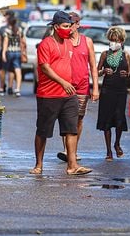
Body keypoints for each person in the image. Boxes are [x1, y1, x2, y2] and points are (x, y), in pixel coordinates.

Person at [30, 11, 92, 176]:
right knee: (43, 131)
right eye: (65, 26)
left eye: (70, 26)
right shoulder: (46, 44)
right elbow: (45, 67)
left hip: (69, 94)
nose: (68, 29)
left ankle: (72, 165)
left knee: (71, 129)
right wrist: (62, 82)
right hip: (48, 94)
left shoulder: (69, 44)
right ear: (56, 27)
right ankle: (39, 164)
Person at [56, 12, 99, 162]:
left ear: (78, 24)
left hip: (82, 87)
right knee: (65, 118)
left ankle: (73, 150)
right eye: (68, 23)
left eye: (72, 23)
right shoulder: (62, 40)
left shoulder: (87, 42)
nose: (70, 26)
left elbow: (93, 66)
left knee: (78, 120)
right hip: (64, 85)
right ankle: (67, 150)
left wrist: (95, 88)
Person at [96, 26, 130, 161]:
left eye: (116, 40)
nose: (113, 43)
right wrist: (104, 71)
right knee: (107, 120)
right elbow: (97, 71)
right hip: (107, 90)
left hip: (120, 90)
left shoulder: (125, 55)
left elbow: (129, 74)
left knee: (119, 118)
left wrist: (126, 74)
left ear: (121, 41)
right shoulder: (105, 54)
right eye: (111, 40)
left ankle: (117, 143)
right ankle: (108, 150)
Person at [1, 17, 26, 97]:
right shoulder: (20, 30)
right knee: (17, 70)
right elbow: (23, 42)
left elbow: (5, 43)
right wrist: (24, 52)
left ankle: (6, 87)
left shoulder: (7, 31)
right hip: (18, 52)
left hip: (10, 52)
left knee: (8, 70)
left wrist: (3, 54)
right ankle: (17, 89)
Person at [0, 10, 15, 95]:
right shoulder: (17, 28)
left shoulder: (3, 29)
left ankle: (2, 86)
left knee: (1, 69)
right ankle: (10, 87)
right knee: (11, 70)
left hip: (5, 52)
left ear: (7, 17)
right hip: (15, 51)